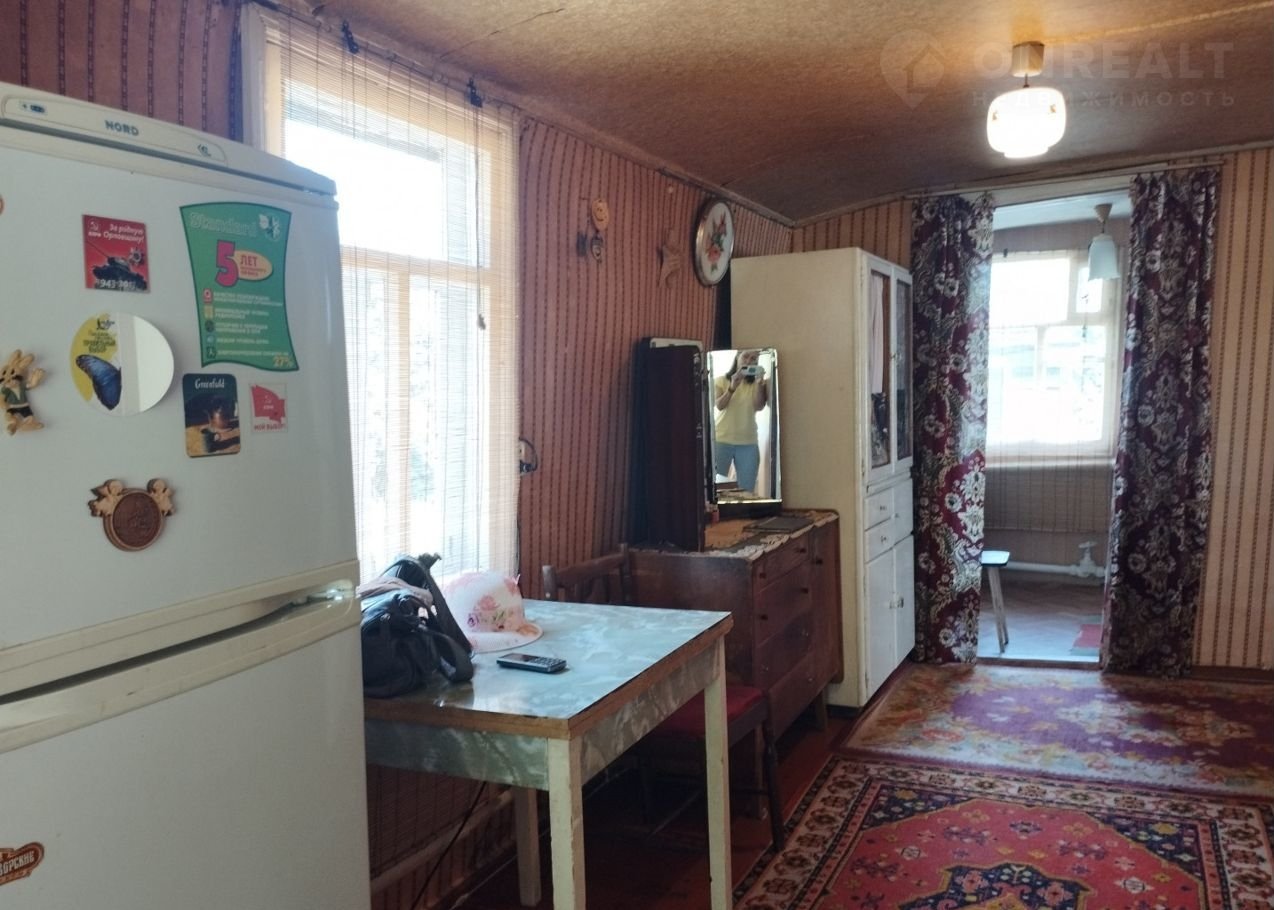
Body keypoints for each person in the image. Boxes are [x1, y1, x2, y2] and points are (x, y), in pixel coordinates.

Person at [713, 349, 768, 492]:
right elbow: (719, 405)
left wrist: (759, 383)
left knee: (747, 490)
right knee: (716, 488)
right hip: (721, 440)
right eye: (745, 356)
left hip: (748, 442)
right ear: (737, 356)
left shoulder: (757, 383)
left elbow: (759, 406)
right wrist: (732, 387)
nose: (749, 361)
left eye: (754, 359)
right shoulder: (720, 380)